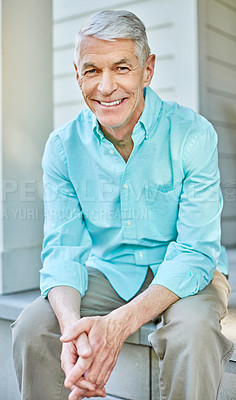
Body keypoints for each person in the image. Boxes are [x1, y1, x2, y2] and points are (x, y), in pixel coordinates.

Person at [12, 9, 234, 400]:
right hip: (110, 270)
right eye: (92, 70)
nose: (106, 87)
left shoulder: (193, 134)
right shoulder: (63, 147)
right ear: (77, 74)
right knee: (34, 327)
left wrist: (116, 327)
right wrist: (71, 332)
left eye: (121, 68)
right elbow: (64, 250)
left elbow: (196, 252)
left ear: (147, 70)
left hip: (187, 271)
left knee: (194, 333)